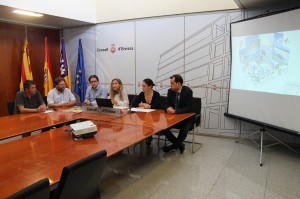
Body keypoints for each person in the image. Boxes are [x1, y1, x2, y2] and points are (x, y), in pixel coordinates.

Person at [163, 74, 194, 153]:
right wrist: (167, 108)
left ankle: (173, 146)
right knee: (164, 129)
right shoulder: (170, 91)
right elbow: (166, 103)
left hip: (187, 118)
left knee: (183, 131)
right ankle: (179, 145)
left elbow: (189, 108)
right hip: (174, 118)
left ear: (179, 84)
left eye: (172, 83)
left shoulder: (188, 91)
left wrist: (175, 111)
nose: (171, 85)